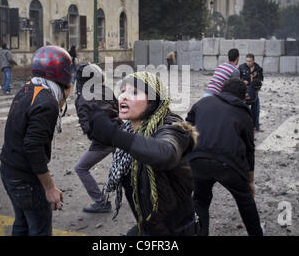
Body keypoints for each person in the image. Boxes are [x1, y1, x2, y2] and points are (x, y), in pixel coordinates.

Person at [89, 71, 199, 236]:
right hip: (149, 227)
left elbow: (166, 154)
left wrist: (114, 135)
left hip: (177, 231)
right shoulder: (129, 130)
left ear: (153, 101)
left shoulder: (174, 128)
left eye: (134, 92)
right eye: (123, 91)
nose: (124, 97)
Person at [0, 45, 72, 236]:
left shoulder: (29, 88)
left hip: (9, 171)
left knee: (22, 225)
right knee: (39, 229)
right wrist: (49, 188)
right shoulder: (47, 102)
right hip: (25, 179)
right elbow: (33, 146)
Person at [186, 78, 263, 236]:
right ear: (243, 96)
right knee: (245, 201)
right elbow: (249, 149)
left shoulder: (203, 102)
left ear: (221, 90)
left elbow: (187, 126)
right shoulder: (243, 112)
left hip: (197, 160)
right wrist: (250, 181)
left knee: (200, 201)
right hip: (229, 164)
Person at [74, 63, 120, 213]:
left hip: (104, 139)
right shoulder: (106, 90)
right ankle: (136, 193)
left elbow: (86, 126)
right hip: (120, 133)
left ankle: (101, 202)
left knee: (80, 168)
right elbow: (118, 108)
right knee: (121, 165)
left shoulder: (82, 99)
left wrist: (97, 136)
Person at [239, 54, 264, 131]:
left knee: (256, 109)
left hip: (254, 91)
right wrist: (243, 82)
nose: (248, 62)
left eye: (250, 61)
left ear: (253, 61)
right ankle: (244, 127)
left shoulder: (258, 68)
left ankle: (256, 126)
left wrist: (255, 82)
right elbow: (237, 78)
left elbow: (261, 79)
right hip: (244, 91)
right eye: (247, 61)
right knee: (243, 109)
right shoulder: (241, 67)